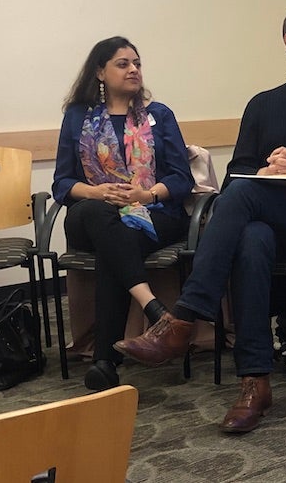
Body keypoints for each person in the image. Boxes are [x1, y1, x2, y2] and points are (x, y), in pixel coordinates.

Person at [113, 2, 286, 433]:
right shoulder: (263, 105)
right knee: (252, 237)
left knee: (242, 197)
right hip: (271, 218)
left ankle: (184, 318)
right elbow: (238, 170)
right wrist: (267, 172)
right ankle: (255, 381)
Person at [52, 36, 195, 391]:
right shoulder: (78, 117)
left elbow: (182, 178)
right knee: (101, 215)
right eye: (123, 63)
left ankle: (104, 363)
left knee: (115, 242)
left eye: (137, 63)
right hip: (91, 213)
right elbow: (62, 183)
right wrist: (97, 192)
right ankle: (155, 312)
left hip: (152, 211)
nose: (133, 69)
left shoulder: (159, 115)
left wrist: (146, 194)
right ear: (100, 72)